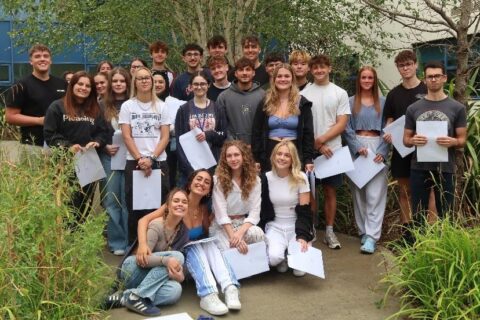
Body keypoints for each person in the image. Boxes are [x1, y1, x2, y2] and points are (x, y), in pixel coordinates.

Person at [136, 169, 241, 316]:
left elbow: (208, 233)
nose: (201, 183)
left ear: (209, 191)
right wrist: (142, 244)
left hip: (196, 263)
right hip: (177, 257)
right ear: (190, 182)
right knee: (193, 246)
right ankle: (208, 295)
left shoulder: (204, 210)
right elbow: (144, 220)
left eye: (207, 182)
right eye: (198, 179)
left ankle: (230, 287)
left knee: (208, 243)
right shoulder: (178, 203)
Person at [107, 188, 189, 317]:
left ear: (187, 207)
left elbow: (178, 267)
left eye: (184, 202)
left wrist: (180, 277)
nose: (180, 204)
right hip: (132, 269)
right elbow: (142, 261)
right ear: (167, 205)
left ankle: (126, 297)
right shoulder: (156, 225)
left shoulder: (183, 232)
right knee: (176, 257)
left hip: (150, 279)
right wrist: (166, 261)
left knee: (175, 290)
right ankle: (137, 296)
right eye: (176, 201)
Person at [403, 61, 467, 226]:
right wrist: (413, 140)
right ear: (424, 80)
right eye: (429, 77)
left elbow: (462, 140)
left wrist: (453, 141)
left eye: (437, 76)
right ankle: (419, 247)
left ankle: (445, 248)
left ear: (444, 78)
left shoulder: (457, 108)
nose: (433, 80)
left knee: (446, 213)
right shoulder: (413, 108)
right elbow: (406, 140)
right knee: (418, 214)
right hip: (419, 168)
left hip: (445, 168)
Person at [301, 54, 351, 250]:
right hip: (311, 150)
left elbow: (342, 123)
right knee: (310, 192)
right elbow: (304, 124)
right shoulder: (304, 93)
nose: (319, 71)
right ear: (310, 70)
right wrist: (317, 145)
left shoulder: (340, 93)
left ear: (329, 68)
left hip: (334, 152)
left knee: (330, 191)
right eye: (315, 68)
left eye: (323, 67)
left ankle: (329, 231)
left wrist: (322, 140)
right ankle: (312, 230)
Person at [43, 71, 107, 223]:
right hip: (64, 162)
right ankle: (63, 240)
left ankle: (78, 238)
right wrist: (68, 147)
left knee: (85, 203)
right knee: (65, 203)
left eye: (88, 86)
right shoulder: (57, 107)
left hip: (88, 162)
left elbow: (103, 132)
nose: (84, 88)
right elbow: (49, 134)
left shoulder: (95, 109)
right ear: (72, 85)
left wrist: (97, 142)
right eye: (80, 84)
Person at [383, 49, 433, 233]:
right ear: (398, 68)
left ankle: (430, 231)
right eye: (401, 65)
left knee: (430, 192)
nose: (405, 68)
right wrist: (388, 133)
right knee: (404, 191)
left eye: (408, 64)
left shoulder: (427, 89)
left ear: (415, 65)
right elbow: (389, 120)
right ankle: (407, 231)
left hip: (427, 148)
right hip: (401, 149)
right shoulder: (393, 94)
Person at [119, 66, 171, 244]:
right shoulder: (127, 106)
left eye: (147, 78)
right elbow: (126, 135)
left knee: (159, 208)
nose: (144, 81)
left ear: (152, 81)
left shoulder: (162, 107)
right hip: (134, 163)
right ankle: (134, 249)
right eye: (140, 78)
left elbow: (165, 137)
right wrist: (140, 159)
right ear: (134, 82)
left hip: (158, 163)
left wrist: (151, 159)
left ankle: (157, 245)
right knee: (135, 209)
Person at [343, 66, 388, 254]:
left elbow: (389, 127)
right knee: (359, 193)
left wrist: (383, 151)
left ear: (374, 80)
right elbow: (345, 127)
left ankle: (372, 236)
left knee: (375, 194)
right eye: (364, 77)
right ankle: (363, 231)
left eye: (370, 77)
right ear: (359, 80)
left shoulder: (384, 102)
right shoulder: (351, 102)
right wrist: (356, 147)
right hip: (357, 148)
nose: (367, 80)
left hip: (377, 146)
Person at [260, 141, 313, 276]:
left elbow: (305, 211)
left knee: (299, 272)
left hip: (296, 226)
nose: (282, 158)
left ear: (292, 159)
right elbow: (261, 210)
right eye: (279, 154)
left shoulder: (301, 178)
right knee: (273, 259)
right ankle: (283, 254)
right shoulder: (265, 178)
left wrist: (302, 235)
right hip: (275, 226)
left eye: (287, 155)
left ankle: (293, 251)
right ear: (273, 156)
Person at [252, 63, 314, 172]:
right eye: (279, 76)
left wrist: (308, 159)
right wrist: (256, 158)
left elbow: (308, 133)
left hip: (294, 152)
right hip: (269, 153)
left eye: (287, 76)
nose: (283, 79)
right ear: (274, 79)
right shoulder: (265, 102)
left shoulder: (302, 103)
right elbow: (256, 132)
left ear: (292, 79)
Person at [5, 44, 67, 146]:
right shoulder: (20, 85)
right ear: (31, 61)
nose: (42, 59)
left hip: (61, 145)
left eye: (46, 56)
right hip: (32, 145)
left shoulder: (62, 84)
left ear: (50, 60)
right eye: (37, 56)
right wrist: (39, 121)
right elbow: (10, 117)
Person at [210, 140, 265, 252]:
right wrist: (234, 237)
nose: (233, 159)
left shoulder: (255, 180)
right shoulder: (218, 180)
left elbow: (255, 212)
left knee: (257, 234)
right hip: (223, 227)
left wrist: (239, 234)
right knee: (231, 248)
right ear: (225, 159)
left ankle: (253, 267)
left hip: (242, 224)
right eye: (229, 156)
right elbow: (221, 213)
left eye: (236, 155)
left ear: (244, 156)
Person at [99, 67, 131, 255]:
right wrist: (104, 146)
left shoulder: (134, 104)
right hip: (109, 157)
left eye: (122, 81)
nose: (119, 84)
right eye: (115, 81)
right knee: (111, 200)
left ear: (127, 83)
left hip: (129, 157)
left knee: (127, 199)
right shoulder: (101, 105)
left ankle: (130, 241)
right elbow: (94, 131)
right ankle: (116, 242)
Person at [175, 71, 227, 185]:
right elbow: (179, 142)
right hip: (190, 167)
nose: (199, 87)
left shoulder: (218, 108)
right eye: (196, 84)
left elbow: (223, 135)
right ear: (191, 86)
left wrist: (208, 134)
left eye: (203, 84)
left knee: (210, 201)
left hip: (213, 164)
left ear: (208, 85)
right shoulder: (183, 110)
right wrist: (188, 168)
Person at [216, 57, 265, 145]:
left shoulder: (263, 95)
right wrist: (234, 144)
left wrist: (256, 145)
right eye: (241, 70)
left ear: (253, 73)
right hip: (232, 150)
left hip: (257, 149)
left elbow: (266, 125)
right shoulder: (223, 97)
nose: (244, 73)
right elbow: (221, 125)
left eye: (248, 70)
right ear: (235, 73)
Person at [153, 71, 185, 188]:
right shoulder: (145, 102)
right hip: (150, 146)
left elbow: (180, 125)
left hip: (169, 149)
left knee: (169, 179)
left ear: (166, 84)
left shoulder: (176, 103)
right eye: (154, 82)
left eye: (160, 82)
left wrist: (168, 128)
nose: (157, 84)